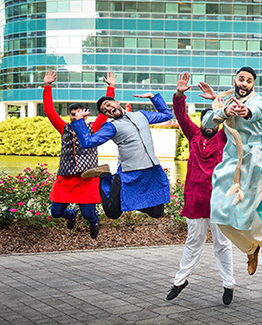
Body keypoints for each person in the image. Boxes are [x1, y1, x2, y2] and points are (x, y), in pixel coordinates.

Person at [199, 67, 262, 276]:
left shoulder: (258, 101)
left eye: (249, 81)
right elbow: (207, 123)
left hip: (254, 162)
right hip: (230, 164)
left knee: (243, 213)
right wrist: (223, 111)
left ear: (253, 85)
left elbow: (256, 111)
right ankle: (252, 248)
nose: (244, 83)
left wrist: (246, 112)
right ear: (234, 81)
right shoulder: (225, 103)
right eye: (241, 79)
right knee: (218, 214)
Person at [166, 72, 236, 305]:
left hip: (218, 200)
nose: (209, 124)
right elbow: (180, 114)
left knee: (222, 244)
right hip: (195, 200)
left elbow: (232, 119)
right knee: (193, 241)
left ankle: (228, 284)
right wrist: (179, 94)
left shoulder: (225, 137)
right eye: (206, 119)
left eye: (214, 120)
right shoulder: (193, 135)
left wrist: (215, 99)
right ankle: (180, 280)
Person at [72, 83, 173, 220]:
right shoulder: (111, 127)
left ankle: (130, 201)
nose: (108, 108)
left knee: (157, 212)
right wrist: (79, 122)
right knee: (112, 213)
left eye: (108, 104)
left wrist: (152, 97)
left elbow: (167, 115)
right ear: (106, 115)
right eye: (104, 110)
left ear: (116, 102)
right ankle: (104, 176)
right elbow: (87, 143)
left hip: (150, 169)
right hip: (128, 173)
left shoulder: (141, 115)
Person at [42, 71, 115, 239]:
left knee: (89, 214)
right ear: (69, 116)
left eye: (78, 113)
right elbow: (49, 111)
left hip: (87, 179)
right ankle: (70, 215)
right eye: (72, 114)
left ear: (85, 113)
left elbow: (105, 112)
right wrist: (47, 86)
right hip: (66, 179)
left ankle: (94, 222)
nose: (75, 116)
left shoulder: (94, 128)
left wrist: (110, 87)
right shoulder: (64, 128)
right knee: (55, 212)